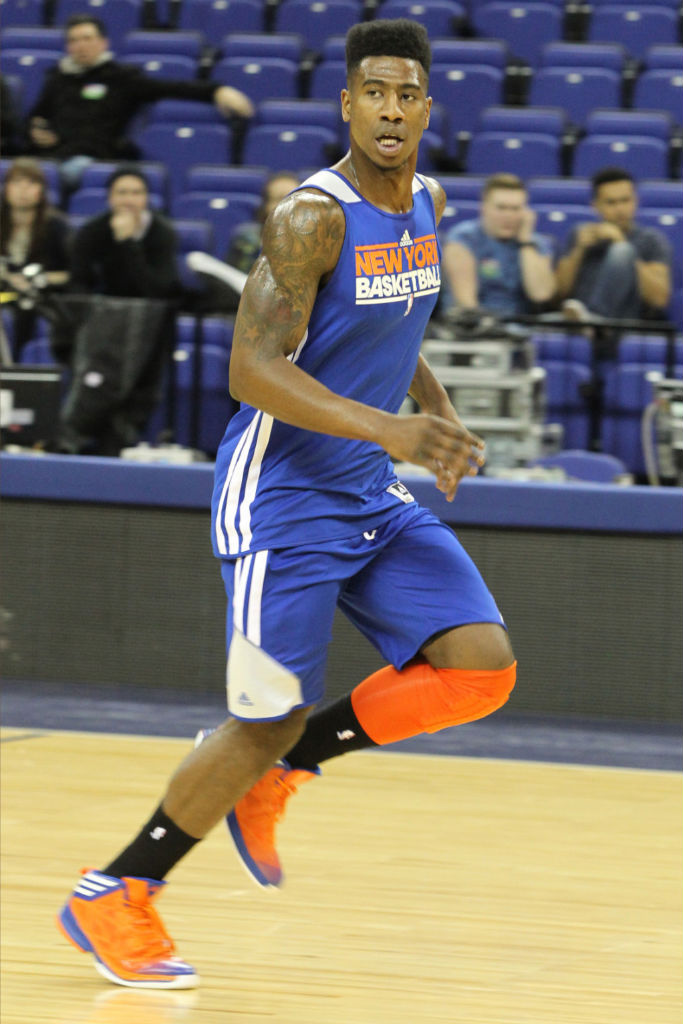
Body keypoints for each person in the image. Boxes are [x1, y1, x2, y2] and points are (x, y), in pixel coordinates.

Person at [57, 19, 516, 989]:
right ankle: (115, 890)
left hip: (365, 483)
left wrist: (431, 410)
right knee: (260, 715)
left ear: (427, 107)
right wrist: (389, 429)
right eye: (373, 93)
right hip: (281, 494)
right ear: (346, 104)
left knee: (477, 669)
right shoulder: (313, 216)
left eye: (407, 93)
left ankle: (286, 766)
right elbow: (251, 370)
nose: (390, 109)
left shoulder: (427, 200)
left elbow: (393, 318)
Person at [26, 14, 254, 188]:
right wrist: (35, 130)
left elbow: (170, 88)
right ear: (68, 46)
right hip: (54, 159)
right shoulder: (57, 79)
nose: (81, 45)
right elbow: (35, 117)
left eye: (87, 38)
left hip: (97, 160)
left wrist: (216, 90)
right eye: (74, 40)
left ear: (103, 43)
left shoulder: (122, 78)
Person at [555, 167, 672, 322]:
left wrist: (621, 242)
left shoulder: (651, 240)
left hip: (624, 326)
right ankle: (590, 322)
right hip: (575, 324)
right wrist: (578, 251)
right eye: (611, 203)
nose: (620, 209)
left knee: (623, 251)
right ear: (595, 205)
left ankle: (593, 320)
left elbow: (659, 299)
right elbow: (558, 294)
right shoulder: (580, 235)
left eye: (625, 200)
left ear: (635, 201)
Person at [441, 172, 555, 318]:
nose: (508, 215)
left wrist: (526, 242)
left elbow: (541, 294)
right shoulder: (462, 238)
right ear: (484, 208)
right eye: (501, 208)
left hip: (523, 328)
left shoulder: (535, 243)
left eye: (515, 209)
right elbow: (467, 303)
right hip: (472, 329)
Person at [69, 166, 179, 299]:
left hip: (150, 310)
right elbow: (79, 281)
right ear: (110, 198)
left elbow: (159, 290)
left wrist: (127, 242)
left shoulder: (163, 233)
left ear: (146, 198)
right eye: (122, 193)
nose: (129, 200)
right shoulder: (91, 231)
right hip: (104, 308)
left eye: (136, 193)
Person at [0, 157, 70, 359]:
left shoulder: (57, 227)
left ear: (41, 190)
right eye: (16, 183)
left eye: (31, 183)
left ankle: (17, 376)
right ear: (6, 189)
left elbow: (72, 274)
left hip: (40, 298)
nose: (23, 190)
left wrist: (38, 279)